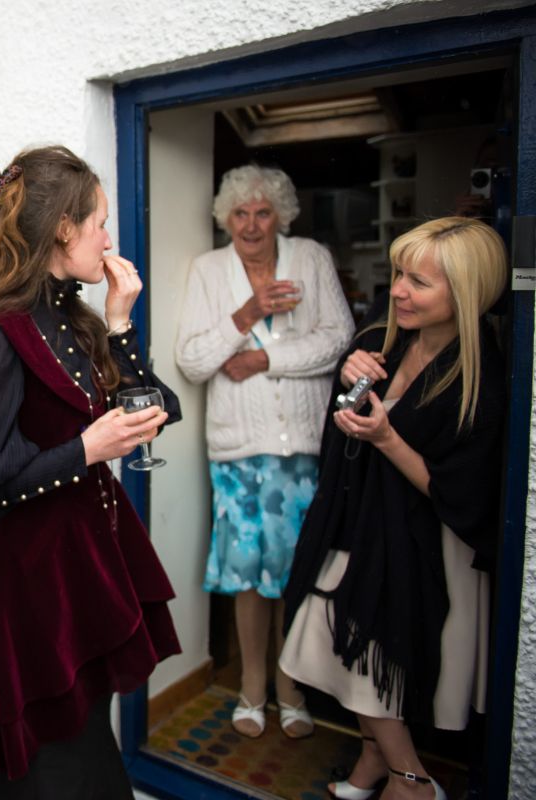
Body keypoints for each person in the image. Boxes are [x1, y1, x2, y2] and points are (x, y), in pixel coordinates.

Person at [0, 146, 182, 797]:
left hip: (85, 575)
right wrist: (88, 449)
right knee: (52, 774)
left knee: (87, 755)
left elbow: (164, 407)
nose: (108, 239)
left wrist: (123, 321)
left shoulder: (70, 317)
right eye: (99, 222)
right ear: (63, 229)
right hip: (29, 594)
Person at [280, 217, 506, 800]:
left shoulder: (482, 377)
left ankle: (407, 779)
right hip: (361, 531)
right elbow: (343, 436)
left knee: (364, 662)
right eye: (399, 274)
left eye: (419, 282)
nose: (398, 290)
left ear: (467, 292)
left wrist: (385, 437)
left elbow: (461, 494)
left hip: (425, 546)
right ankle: (387, 765)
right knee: (324, 641)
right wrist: (345, 384)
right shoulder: (377, 341)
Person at [174, 164, 354, 739]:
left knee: (296, 572)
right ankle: (253, 684)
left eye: (263, 212)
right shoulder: (209, 270)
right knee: (248, 575)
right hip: (237, 451)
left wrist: (265, 358)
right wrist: (247, 316)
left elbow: (339, 340)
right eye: (240, 213)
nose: (251, 225)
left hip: (300, 448)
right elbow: (194, 360)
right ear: (225, 218)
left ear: (283, 215)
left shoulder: (312, 258)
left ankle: (291, 683)